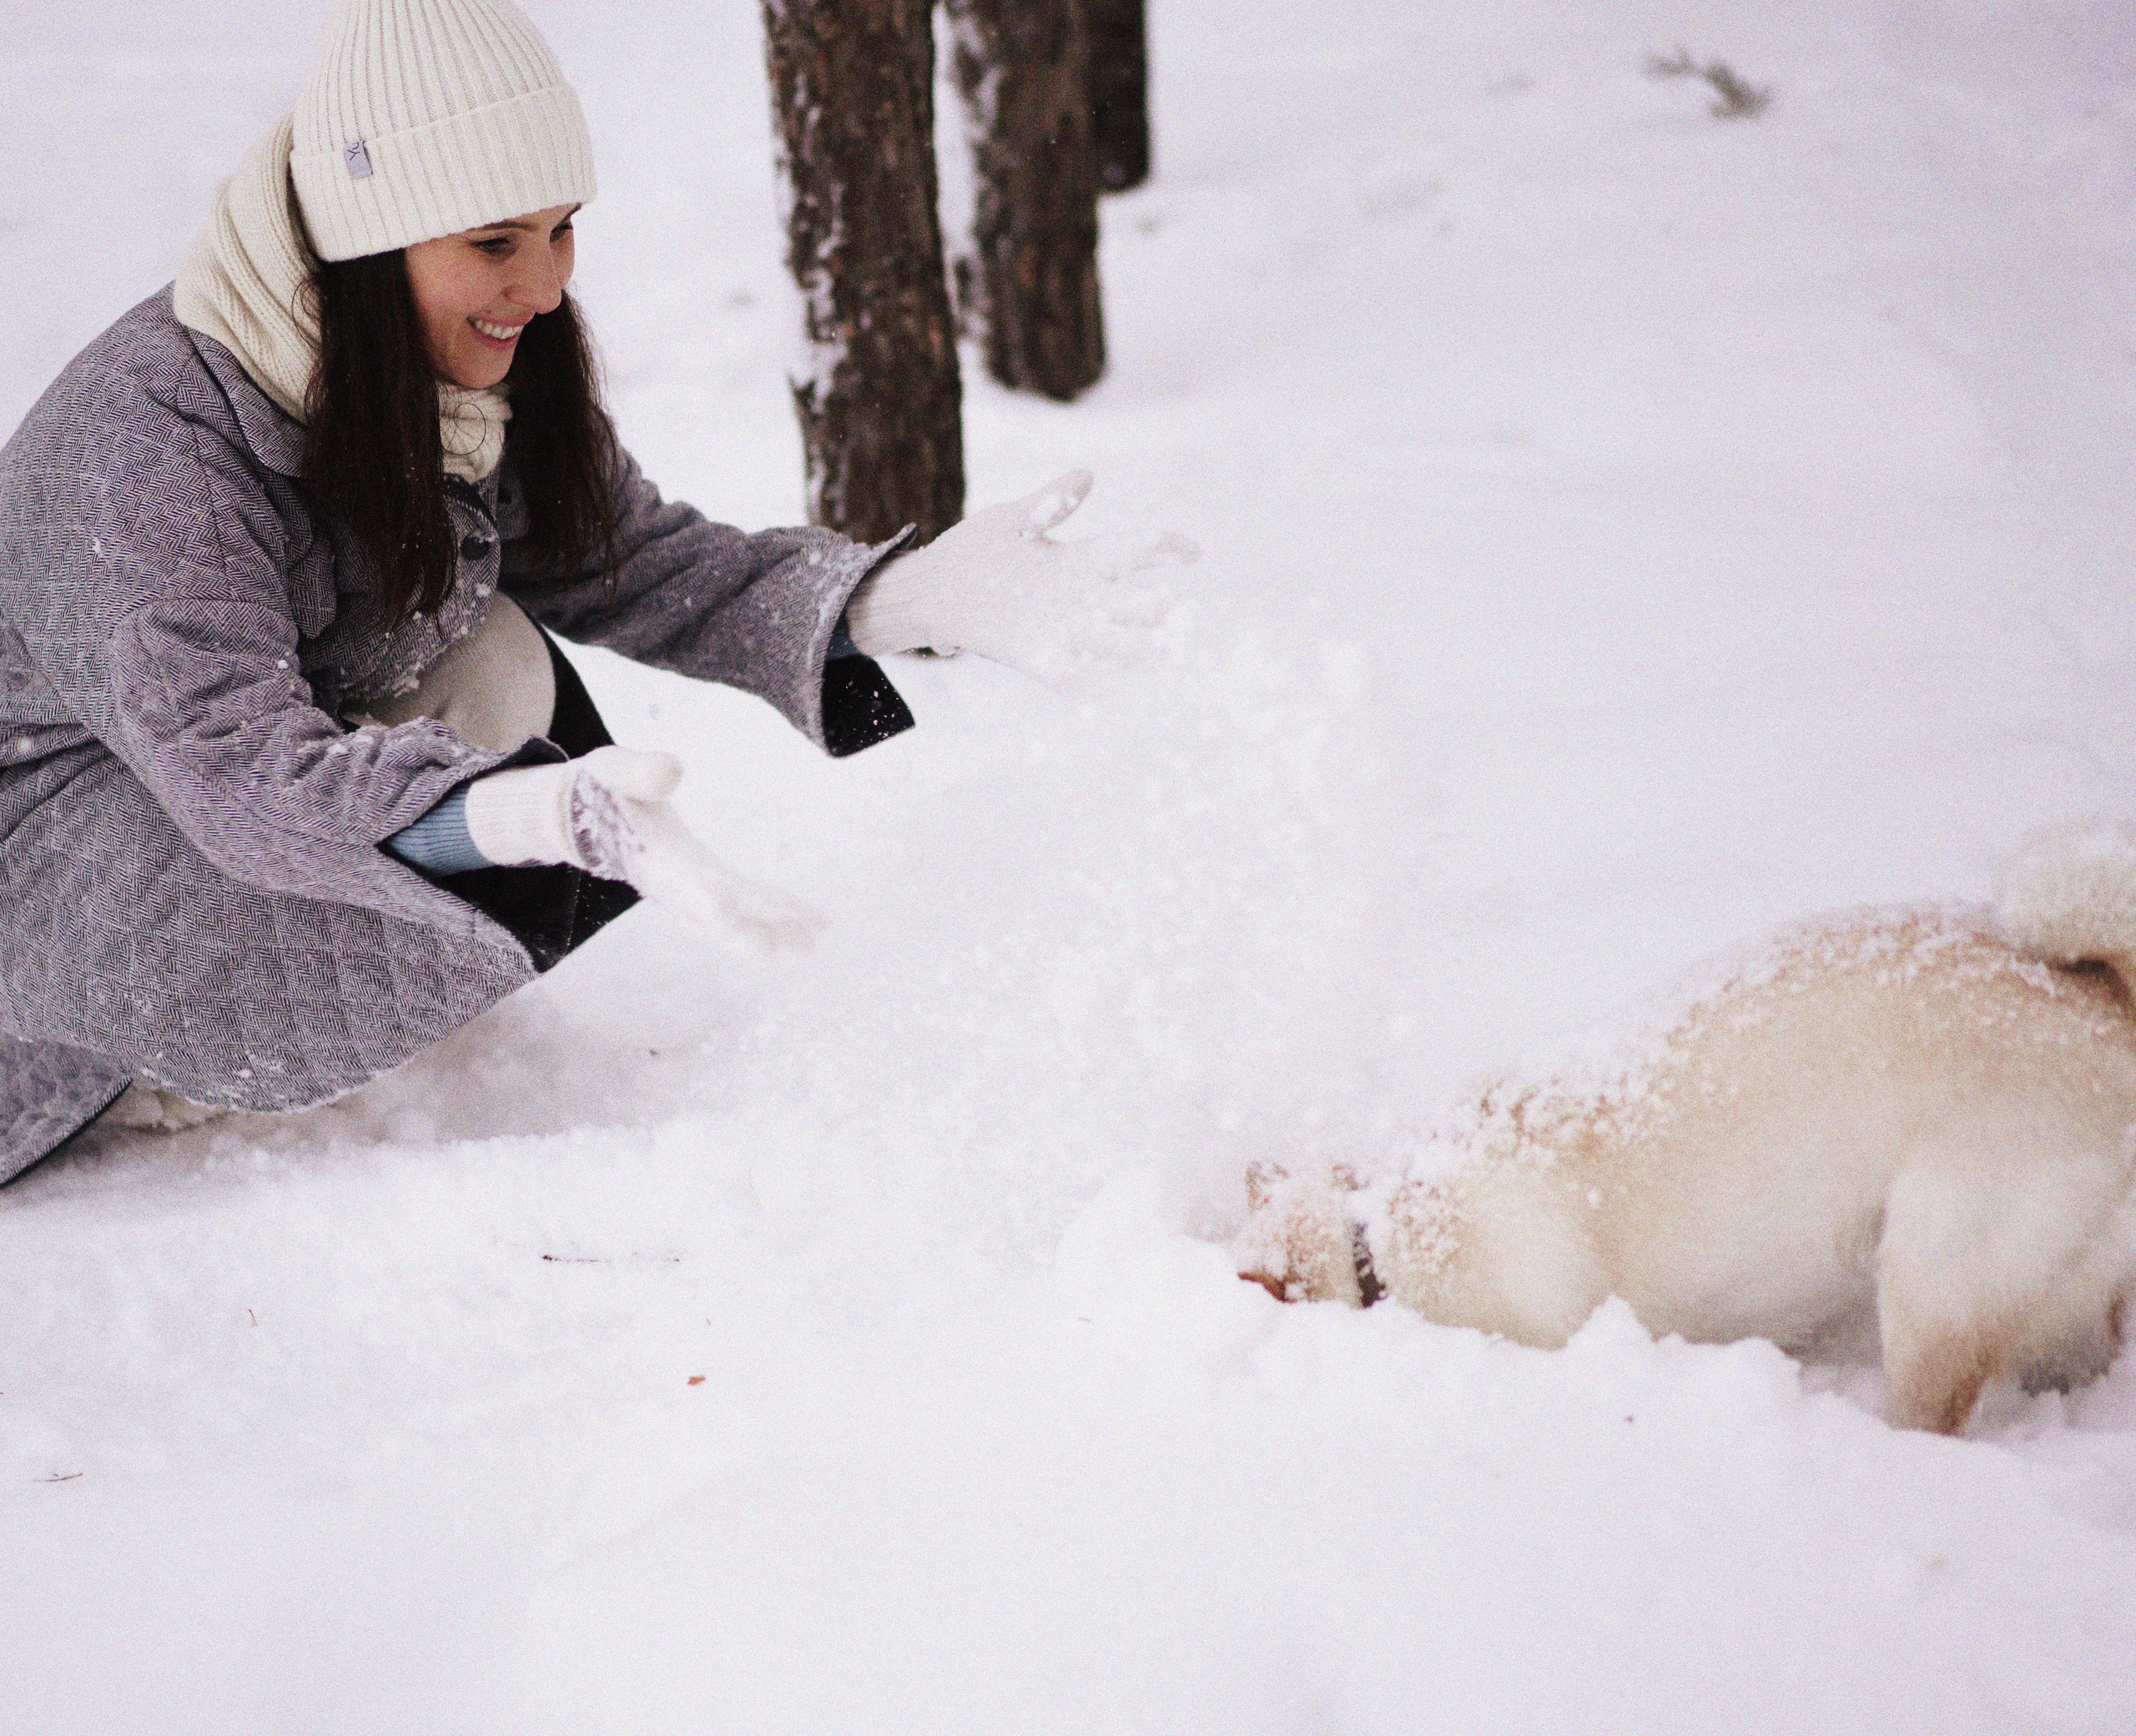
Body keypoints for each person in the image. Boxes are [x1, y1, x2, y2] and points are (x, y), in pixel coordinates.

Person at [0, 0, 1178, 1183]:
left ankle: (253, 995)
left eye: (562, 231)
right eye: (498, 243)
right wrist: (520, 815)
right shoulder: (149, 444)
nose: (547, 285)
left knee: (500, 667)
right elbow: (239, 778)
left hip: (160, 795)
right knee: (476, 737)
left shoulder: (420, 365)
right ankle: (140, 1064)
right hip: (30, 879)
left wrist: (898, 601)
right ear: (371, 236)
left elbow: (637, 559)